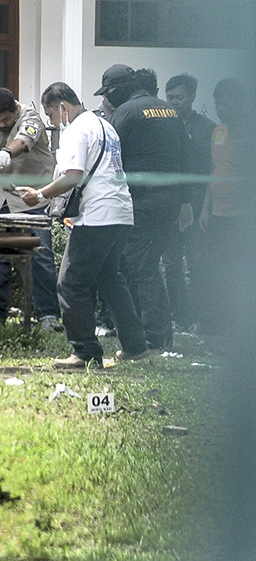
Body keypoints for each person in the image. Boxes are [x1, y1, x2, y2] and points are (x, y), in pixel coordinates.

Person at [15, 82, 151, 368]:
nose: (53, 122)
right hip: (120, 212)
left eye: (51, 115)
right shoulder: (105, 126)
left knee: (70, 283)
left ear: (62, 107)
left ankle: (85, 352)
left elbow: (73, 175)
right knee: (110, 278)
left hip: (96, 216)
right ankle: (135, 346)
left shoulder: (77, 130)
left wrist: (39, 195)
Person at [96, 63, 188, 352]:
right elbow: (186, 157)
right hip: (170, 200)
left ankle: (154, 336)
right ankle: (153, 331)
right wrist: (186, 200)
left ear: (118, 90)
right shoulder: (169, 110)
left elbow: (109, 158)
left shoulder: (126, 113)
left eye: (108, 92)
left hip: (142, 201)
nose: (106, 99)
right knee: (148, 264)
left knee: (142, 268)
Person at [0, 87, 61, 331]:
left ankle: (48, 316)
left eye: (6, 119)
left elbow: (23, 140)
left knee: (40, 257)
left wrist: (7, 152)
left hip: (31, 198)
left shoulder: (30, 116)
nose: (0, 124)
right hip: (1, 199)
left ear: (15, 110)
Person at [197, 78, 255, 332]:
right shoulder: (218, 132)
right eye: (217, 104)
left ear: (240, 103)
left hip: (243, 217)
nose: (220, 109)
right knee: (215, 270)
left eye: (226, 103)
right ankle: (215, 322)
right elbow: (214, 168)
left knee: (240, 271)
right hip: (217, 215)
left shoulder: (250, 134)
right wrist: (205, 209)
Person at [162, 73, 217, 330]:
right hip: (170, 201)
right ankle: (179, 316)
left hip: (196, 198)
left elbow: (212, 170)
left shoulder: (206, 128)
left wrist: (204, 207)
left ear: (193, 97)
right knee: (171, 262)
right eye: (170, 97)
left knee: (197, 261)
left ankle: (201, 317)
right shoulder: (162, 125)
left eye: (179, 97)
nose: (174, 102)